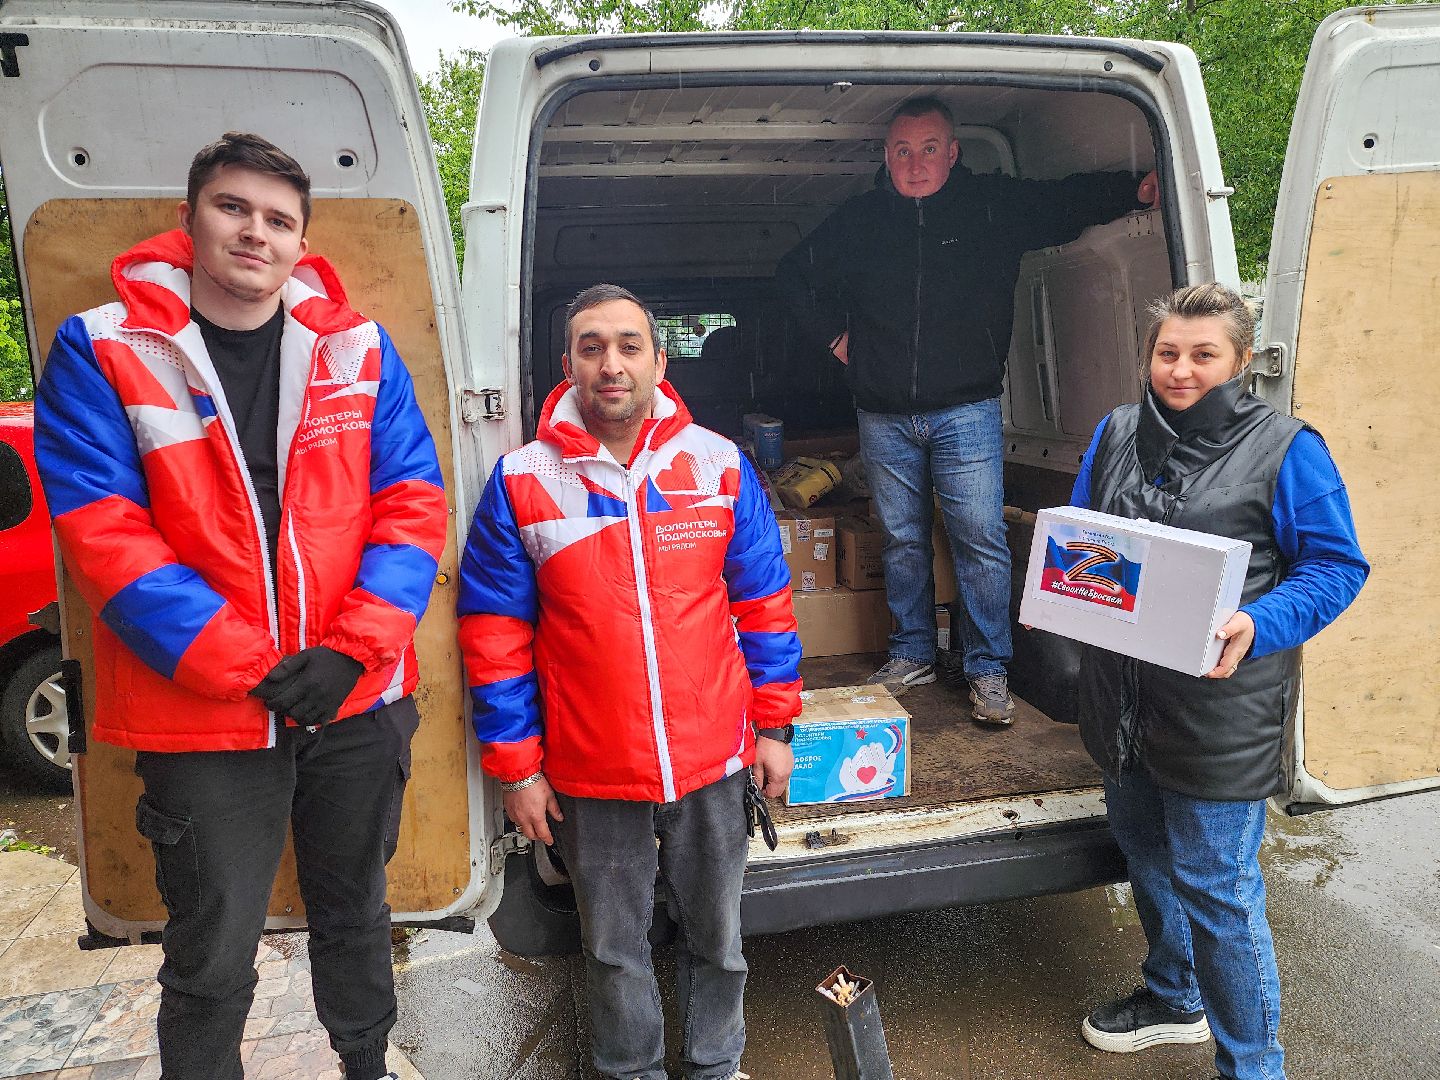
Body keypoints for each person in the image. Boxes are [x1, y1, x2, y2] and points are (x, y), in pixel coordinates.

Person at [32, 132, 449, 1080]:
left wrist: (352, 653)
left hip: (355, 700)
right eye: (233, 208)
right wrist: (249, 667)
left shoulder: (357, 348)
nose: (254, 233)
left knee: (357, 914)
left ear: (302, 242)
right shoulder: (106, 347)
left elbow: (414, 505)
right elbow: (104, 533)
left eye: (278, 220)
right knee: (212, 951)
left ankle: (367, 1068)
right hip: (204, 712)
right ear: (188, 220)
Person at [457, 283, 800, 1080]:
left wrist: (776, 728)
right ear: (570, 363)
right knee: (612, 950)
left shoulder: (717, 465)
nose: (611, 364)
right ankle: (630, 1071)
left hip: (712, 757)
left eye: (628, 346)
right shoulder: (521, 479)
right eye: (591, 347)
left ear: (659, 359)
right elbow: (494, 635)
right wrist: (519, 767)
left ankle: (716, 1066)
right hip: (590, 768)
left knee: (719, 940)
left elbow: (764, 605)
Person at [776, 95, 1156, 721]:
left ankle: (987, 669)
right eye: (902, 150)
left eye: (929, 149)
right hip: (883, 411)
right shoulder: (860, 221)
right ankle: (914, 652)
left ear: (952, 153)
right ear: (887, 156)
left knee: (979, 538)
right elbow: (793, 274)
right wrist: (838, 341)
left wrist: (1134, 191)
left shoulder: (990, 207)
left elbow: (1064, 201)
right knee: (900, 539)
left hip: (967, 411)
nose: (915, 163)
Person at [1070, 284, 1368, 1080]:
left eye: (1204, 355)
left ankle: (1253, 1067)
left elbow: (1338, 566)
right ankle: (1174, 995)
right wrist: (1060, 591)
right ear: (1149, 355)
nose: (1182, 369)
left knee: (1218, 889)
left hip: (1220, 710)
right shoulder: (1115, 431)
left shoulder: (1287, 447)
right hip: (1123, 701)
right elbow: (1082, 535)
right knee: (1143, 850)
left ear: (1240, 362)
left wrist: (1258, 622)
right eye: (1168, 352)